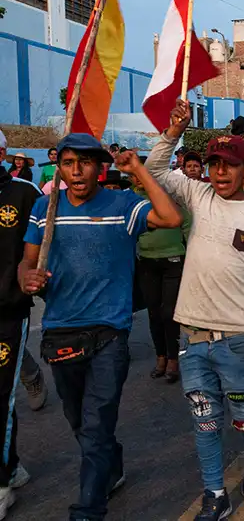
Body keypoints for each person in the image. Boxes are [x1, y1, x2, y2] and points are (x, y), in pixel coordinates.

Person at [18, 132, 182, 521]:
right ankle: (112, 463)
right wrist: (28, 277)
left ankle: (88, 510)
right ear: (59, 167)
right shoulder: (45, 208)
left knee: (95, 422)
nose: (77, 171)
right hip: (60, 330)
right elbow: (27, 261)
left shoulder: (123, 204)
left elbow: (171, 217)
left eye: (86, 163)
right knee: (80, 420)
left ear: (100, 167)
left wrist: (138, 168)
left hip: (109, 332)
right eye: (69, 163)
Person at [147, 101, 244, 520]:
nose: (220, 173)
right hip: (193, 338)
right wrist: (174, 130)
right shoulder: (197, 193)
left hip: (238, 340)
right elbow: (153, 171)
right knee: (205, 422)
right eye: (214, 165)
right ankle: (215, 494)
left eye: (229, 166)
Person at [0, 128, 41, 517]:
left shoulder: (23, 194)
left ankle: (1, 483)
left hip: (7, 312)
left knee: (0, 394)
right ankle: (11, 466)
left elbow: (42, 247)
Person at [134, 173, 191, 384]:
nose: (139, 178)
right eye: (136, 174)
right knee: (153, 312)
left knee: (169, 313)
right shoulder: (131, 199)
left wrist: (188, 249)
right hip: (147, 262)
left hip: (173, 259)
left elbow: (186, 221)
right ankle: (161, 356)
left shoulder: (166, 196)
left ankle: (173, 359)